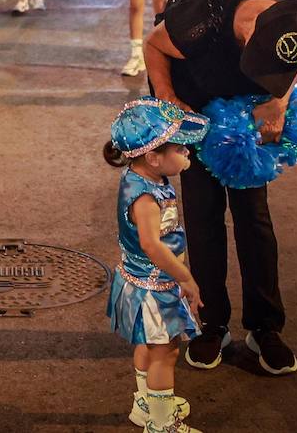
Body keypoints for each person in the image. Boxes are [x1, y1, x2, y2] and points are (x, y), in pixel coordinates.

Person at [143, 0, 297, 376]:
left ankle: (266, 327)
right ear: (248, 37)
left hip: (247, 110)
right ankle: (211, 324)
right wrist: (169, 99)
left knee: (254, 217)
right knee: (204, 214)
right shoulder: (198, 19)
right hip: (196, 98)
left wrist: (279, 99)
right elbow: (153, 45)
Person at [104, 99, 206, 433]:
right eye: (180, 148)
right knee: (166, 353)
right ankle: (161, 425)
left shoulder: (140, 177)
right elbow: (151, 244)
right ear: (153, 157)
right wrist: (185, 277)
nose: (187, 152)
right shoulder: (146, 198)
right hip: (154, 288)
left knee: (145, 344)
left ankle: (145, 403)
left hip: (138, 281)